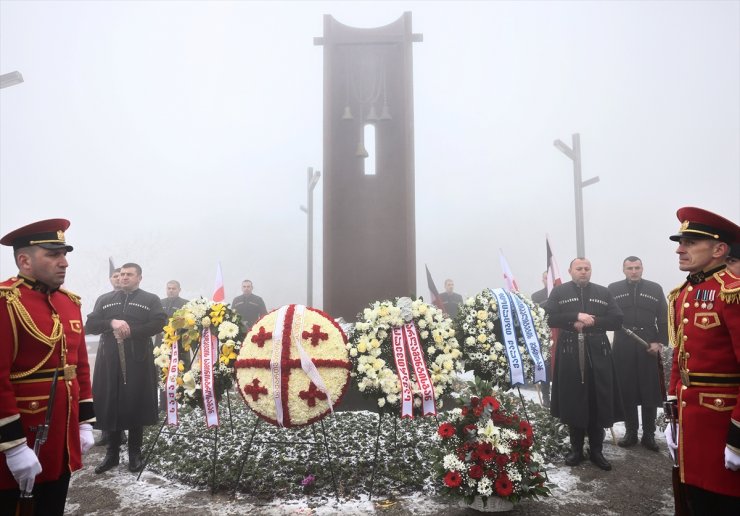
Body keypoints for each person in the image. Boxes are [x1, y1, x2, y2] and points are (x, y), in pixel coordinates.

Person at [0, 219, 95, 515]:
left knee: (52, 504)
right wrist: (13, 445)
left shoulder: (70, 303)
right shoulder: (6, 302)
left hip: (61, 435)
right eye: (53, 255)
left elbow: (79, 367)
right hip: (21, 435)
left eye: (64, 254)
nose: (64, 262)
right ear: (24, 260)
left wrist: (83, 421)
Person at [663, 207, 740, 514]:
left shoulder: (732, 293)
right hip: (690, 421)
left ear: (719, 249)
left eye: (691, 242)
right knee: (694, 501)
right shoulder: (683, 293)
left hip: (722, 423)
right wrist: (672, 411)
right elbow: (679, 357)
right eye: (680, 241)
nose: (680, 249)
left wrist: (738, 433)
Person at [85, 263, 167, 474]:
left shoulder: (150, 299)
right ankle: (112, 454)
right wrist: (111, 322)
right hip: (108, 359)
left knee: (134, 402)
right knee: (110, 402)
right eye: (121, 274)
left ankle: (134, 454)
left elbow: (159, 323)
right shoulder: (105, 299)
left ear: (139, 277)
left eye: (129, 274)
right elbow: (91, 325)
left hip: (137, 359)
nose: (123, 278)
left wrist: (131, 331)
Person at [544, 258, 624, 471]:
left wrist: (593, 321)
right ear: (571, 271)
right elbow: (549, 317)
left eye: (587, 268)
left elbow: (617, 319)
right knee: (574, 398)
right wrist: (574, 317)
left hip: (599, 351)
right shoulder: (559, 292)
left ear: (591, 271)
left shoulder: (603, 292)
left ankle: (597, 451)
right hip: (569, 351)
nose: (583, 272)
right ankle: (576, 450)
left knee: (598, 398)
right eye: (579, 268)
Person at [608, 256, 667, 452]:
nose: (633, 271)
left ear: (642, 269)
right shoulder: (613, 289)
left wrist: (659, 342)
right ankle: (631, 432)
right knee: (627, 391)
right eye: (630, 268)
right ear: (623, 269)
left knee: (649, 391)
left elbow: (664, 317)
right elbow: (607, 315)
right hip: (623, 345)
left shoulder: (655, 288)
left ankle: (649, 435)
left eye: (637, 267)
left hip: (648, 345)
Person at [87, 268, 127, 447]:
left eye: (122, 276)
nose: (119, 279)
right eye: (115, 276)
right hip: (107, 351)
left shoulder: (133, 299)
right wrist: (109, 325)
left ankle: (124, 430)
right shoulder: (104, 299)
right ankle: (106, 430)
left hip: (130, 351)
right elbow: (91, 326)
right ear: (110, 279)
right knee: (105, 391)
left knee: (125, 393)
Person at [531, 271, 552, 407]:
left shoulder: (562, 293)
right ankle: (546, 397)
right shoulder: (536, 296)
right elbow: (534, 315)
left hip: (559, 333)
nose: (548, 280)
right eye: (546, 278)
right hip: (543, 334)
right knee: (545, 366)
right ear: (542, 279)